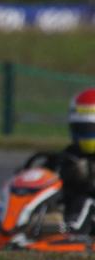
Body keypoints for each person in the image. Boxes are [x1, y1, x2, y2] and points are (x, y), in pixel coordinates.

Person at [37, 88, 95, 233]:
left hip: (86, 214)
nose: (87, 133)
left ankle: (71, 235)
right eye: (82, 128)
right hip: (67, 210)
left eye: (92, 128)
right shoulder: (67, 156)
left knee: (86, 202)